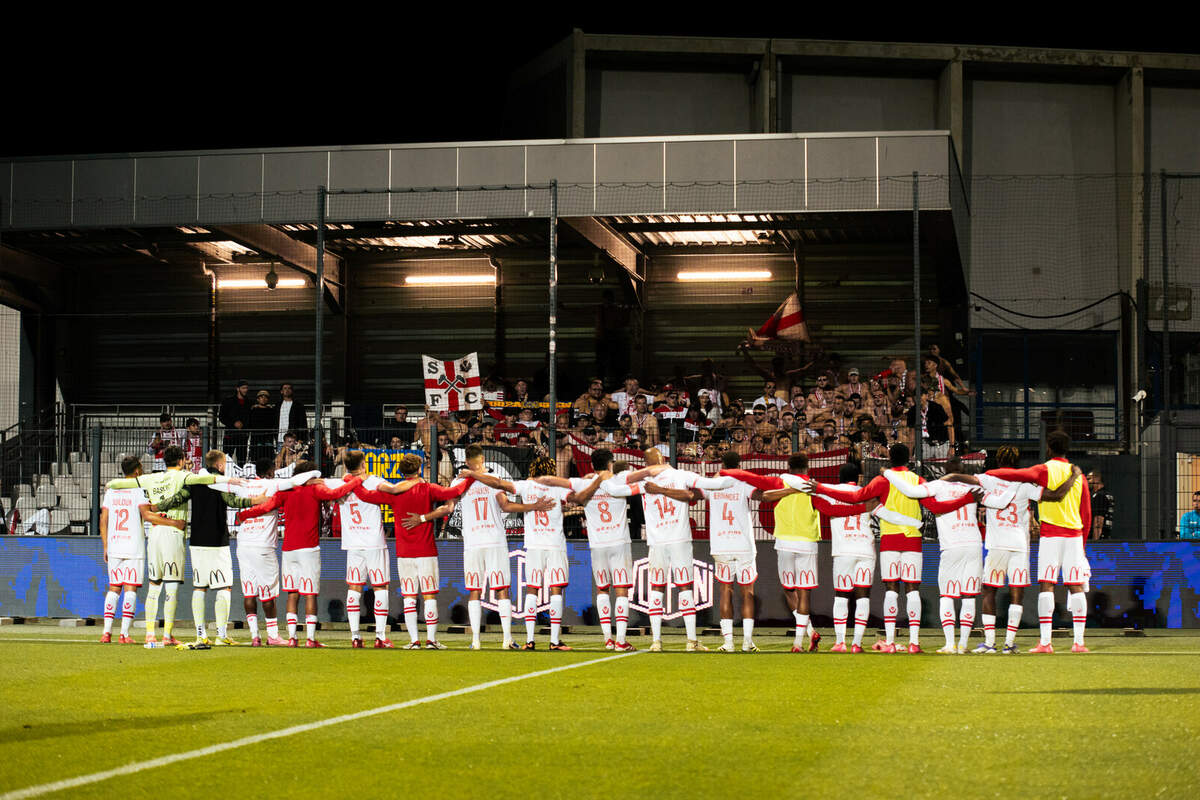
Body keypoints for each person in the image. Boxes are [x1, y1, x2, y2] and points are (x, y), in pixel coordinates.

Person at [807, 443, 974, 653]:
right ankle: (914, 643)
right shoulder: (917, 480)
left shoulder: (881, 480)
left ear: (889, 458)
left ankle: (890, 642)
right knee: (912, 590)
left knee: (891, 591)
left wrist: (820, 488)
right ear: (909, 458)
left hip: (889, 540)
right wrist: (965, 499)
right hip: (913, 539)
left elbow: (855, 497)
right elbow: (935, 506)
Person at [720, 454, 870, 653]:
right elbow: (832, 509)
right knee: (804, 591)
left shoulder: (778, 482)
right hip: (807, 543)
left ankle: (809, 633)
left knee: (789, 589)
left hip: (784, 543)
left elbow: (750, 477)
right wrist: (861, 508)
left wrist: (724, 471)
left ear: (789, 467)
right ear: (807, 468)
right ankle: (799, 643)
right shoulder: (812, 488)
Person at [463, 455, 601, 650]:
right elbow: (578, 498)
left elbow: (497, 483)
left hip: (533, 545)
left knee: (532, 590)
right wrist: (594, 483)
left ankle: (530, 640)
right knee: (556, 590)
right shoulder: (557, 487)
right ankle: (554, 641)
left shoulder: (526, 486)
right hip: (554, 545)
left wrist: (473, 475)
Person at [106, 445, 225, 646]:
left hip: (154, 534)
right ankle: (167, 635)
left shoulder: (151, 478)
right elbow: (205, 479)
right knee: (171, 589)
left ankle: (150, 634)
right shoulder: (183, 476)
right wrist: (228, 479)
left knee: (154, 586)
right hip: (173, 532)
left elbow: (120, 483)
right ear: (180, 460)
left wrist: (111, 484)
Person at [235, 462, 363, 647]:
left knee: (292, 594)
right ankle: (310, 639)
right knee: (310, 593)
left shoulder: (285, 492)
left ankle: (293, 638)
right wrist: (356, 481)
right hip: (309, 548)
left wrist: (244, 515)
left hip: (288, 549)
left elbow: (265, 507)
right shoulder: (315, 490)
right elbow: (336, 494)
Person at [988, 431, 1093, 653]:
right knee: (1075, 585)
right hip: (1074, 535)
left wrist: (988, 474)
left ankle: (1046, 642)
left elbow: (1015, 475)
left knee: (1047, 584)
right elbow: (1086, 514)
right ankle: (1079, 643)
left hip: (1050, 535)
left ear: (1048, 448)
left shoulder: (1044, 469)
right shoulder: (1080, 476)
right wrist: (1082, 546)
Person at [355, 453, 473, 649]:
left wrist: (356, 480)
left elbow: (365, 496)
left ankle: (413, 640)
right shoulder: (427, 489)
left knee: (409, 597)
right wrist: (471, 476)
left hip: (404, 552)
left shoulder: (395, 493)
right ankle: (431, 640)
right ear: (418, 469)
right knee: (429, 596)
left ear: (402, 471)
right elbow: (454, 491)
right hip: (426, 550)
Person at [631, 449, 734, 651]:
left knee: (656, 588)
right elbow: (714, 485)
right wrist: (736, 477)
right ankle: (691, 641)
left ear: (647, 463)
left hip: (657, 542)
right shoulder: (681, 475)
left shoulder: (643, 483)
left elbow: (616, 490)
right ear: (663, 460)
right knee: (685, 587)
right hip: (679, 540)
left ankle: (656, 642)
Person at [455, 444, 553, 650]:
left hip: (472, 542)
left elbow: (448, 502)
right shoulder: (493, 480)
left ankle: (475, 642)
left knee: (474, 591)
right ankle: (507, 639)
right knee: (502, 590)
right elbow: (506, 506)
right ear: (482, 460)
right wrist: (533, 506)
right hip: (495, 541)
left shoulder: (459, 481)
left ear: (466, 461)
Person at [172, 450, 262, 648]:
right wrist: (254, 501)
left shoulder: (194, 480)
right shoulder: (220, 481)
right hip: (217, 540)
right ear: (221, 465)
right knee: (224, 586)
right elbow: (232, 502)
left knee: (199, 586)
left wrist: (157, 506)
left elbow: (178, 498)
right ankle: (221, 635)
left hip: (196, 539)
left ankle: (200, 635)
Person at [323, 450, 411, 648]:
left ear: (346, 466)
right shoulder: (373, 481)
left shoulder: (340, 483)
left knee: (354, 588)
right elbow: (395, 490)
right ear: (363, 465)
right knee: (380, 587)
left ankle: (355, 636)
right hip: (374, 543)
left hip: (353, 544)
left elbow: (316, 482)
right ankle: (380, 636)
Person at [232, 458, 320, 646]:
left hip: (243, 543)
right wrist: (315, 477)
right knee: (267, 594)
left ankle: (255, 636)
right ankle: (272, 635)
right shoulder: (273, 485)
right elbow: (295, 482)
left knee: (249, 593)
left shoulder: (245, 486)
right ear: (271, 472)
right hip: (263, 545)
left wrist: (242, 515)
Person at [99, 456, 182, 644]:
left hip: (114, 544)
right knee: (130, 588)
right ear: (137, 471)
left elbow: (103, 520)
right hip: (133, 546)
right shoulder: (138, 490)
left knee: (113, 588)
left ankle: (106, 633)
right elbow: (147, 515)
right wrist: (174, 523)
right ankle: (124, 635)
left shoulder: (112, 490)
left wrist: (105, 545)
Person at [704, 452, 766, 653]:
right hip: (743, 545)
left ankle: (728, 643)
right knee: (747, 592)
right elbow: (762, 496)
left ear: (722, 464)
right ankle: (747, 642)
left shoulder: (713, 484)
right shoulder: (742, 484)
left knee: (725, 592)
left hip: (721, 544)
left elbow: (693, 495)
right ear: (738, 465)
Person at [219, 379, 252, 462]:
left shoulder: (249, 402)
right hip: (230, 434)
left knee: (242, 459)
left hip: (243, 435)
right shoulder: (228, 401)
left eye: (247, 388)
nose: (245, 390)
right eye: (243, 388)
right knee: (226, 458)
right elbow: (222, 417)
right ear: (238, 389)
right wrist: (233, 423)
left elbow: (250, 417)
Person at [275, 383, 308, 448]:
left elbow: (303, 422)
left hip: (294, 439)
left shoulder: (298, 405)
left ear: (292, 391)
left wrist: (301, 438)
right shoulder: (277, 405)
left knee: (294, 457)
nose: (287, 390)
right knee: (281, 457)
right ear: (281, 391)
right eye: (285, 388)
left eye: (289, 388)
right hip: (280, 439)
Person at [248, 390, 277, 461]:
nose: (263, 399)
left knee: (268, 457)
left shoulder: (271, 410)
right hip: (256, 438)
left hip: (268, 438)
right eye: (261, 397)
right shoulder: (253, 410)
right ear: (258, 399)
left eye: (265, 397)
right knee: (256, 457)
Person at [1088, 471, 1113, 540]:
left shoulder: (1099, 496)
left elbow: (1098, 522)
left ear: (1097, 479)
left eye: (1089, 479)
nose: (1088, 482)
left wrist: (1095, 542)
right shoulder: (1107, 495)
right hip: (1106, 535)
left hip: (1100, 539)